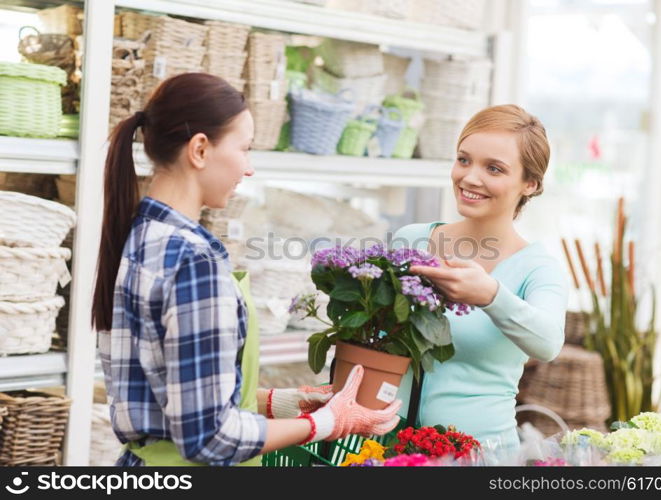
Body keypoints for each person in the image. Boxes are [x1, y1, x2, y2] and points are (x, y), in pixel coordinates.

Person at [92, 73, 400, 466]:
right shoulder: (194, 262)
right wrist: (326, 422)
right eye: (245, 149)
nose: (249, 168)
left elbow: (170, 391)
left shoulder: (140, 235)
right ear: (200, 149)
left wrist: (279, 402)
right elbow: (210, 438)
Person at [391, 104, 568, 452]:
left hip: (478, 456)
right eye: (464, 160)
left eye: (494, 168)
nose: (470, 178)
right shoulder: (412, 240)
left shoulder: (537, 268)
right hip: (391, 448)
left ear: (530, 184)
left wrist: (489, 295)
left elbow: (548, 342)